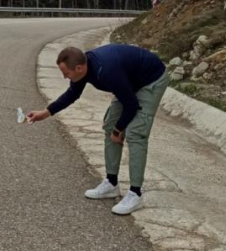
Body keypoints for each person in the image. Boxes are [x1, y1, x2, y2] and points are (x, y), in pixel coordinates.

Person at [28, 44, 168, 215]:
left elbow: (131, 105)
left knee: (135, 133)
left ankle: (135, 194)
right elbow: (72, 94)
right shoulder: (85, 67)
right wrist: (46, 112)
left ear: (79, 68)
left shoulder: (107, 71)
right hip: (130, 80)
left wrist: (119, 131)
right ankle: (111, 183)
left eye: (66, 73)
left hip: (151, 80)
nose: (65, 77)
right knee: (110, 125)